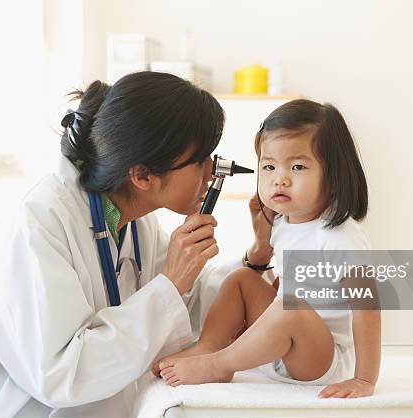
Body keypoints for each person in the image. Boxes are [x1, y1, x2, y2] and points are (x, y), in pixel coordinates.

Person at [0, 72, 271, 418]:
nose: (212, 171)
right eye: (201, 160)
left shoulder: (133, 223)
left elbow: (193, 304)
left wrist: (257, 255)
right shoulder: (35, 225)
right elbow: (62, 374)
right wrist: (171, 284)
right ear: (143, 176)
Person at [156, 99, 381, 399]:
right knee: (241, 280)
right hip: (287, 340)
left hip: (321, 359)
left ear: (334, 176)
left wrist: (364, 380)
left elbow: (367, 307)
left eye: (298, 166)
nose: (280, 179)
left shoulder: (340, 236)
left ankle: (218, 363)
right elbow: (283, 282)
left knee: (291, 307)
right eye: (269, 166)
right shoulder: (283, 225)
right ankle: (209, 345)